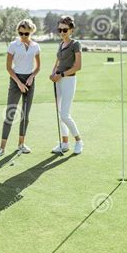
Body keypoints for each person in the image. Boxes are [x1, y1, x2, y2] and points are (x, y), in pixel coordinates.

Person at [0, 19, 41, 158]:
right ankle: (1, 148)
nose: (23, 36)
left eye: (26, 33)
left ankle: (21, 144)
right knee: (10, 113)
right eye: (20, 33)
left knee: (26, 115)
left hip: (30, 81)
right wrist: (19, 83)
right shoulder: (13, 45)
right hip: (15, 80)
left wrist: (31, 77)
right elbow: (8, 67)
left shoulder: (36, 46)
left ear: (31, 32)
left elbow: (38, 67)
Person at [49, 16, 84, 154]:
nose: (62, 32)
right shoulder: (61, 44)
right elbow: (57, 63)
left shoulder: (76, 44)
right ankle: (64, 143)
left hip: (69, 80)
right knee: (59, 113)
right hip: (58, 80)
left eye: (65, 29)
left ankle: (79, 141)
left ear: (71, 30)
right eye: (60, 29)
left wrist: (61, 75)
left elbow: (78, 66)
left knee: (65, 114)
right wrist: (53, 74)